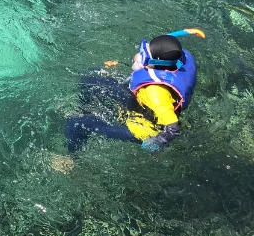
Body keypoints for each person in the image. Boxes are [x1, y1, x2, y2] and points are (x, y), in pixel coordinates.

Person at [64, 30, 202, 154]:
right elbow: (161, 47)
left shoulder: (155, 93)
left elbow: (173, 127)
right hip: (140, 102)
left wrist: (158, 142)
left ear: (156, 63)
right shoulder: (174, 62)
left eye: (144, 56)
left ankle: (68, 158)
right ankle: (84, 108)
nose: (138, 57)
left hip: (142, 129)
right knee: (90, 79)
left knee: (76, 123)